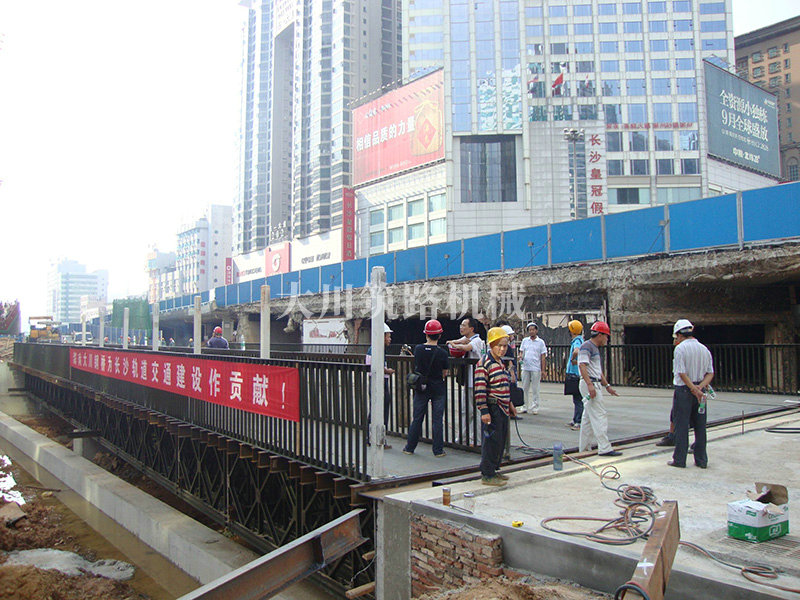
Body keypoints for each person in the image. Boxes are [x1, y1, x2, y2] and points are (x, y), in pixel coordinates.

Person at [668, 319, 714, 469]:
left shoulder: (680, 349)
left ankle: (679, 460)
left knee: (681, 426)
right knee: (700, 426)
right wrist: (700, 387)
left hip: (684, 391)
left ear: (679, 335)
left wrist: (693, 389)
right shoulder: (704, 349)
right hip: (700, 391)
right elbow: (710, 373)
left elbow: (681, 373)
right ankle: (701, 460)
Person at [475, 327, 517, 486]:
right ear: (491, 345)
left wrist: (510, 404)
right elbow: (480, 389)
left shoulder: (500, 363)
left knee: (500, 440)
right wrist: (484, 410)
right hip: (493, 407)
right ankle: (487, 473)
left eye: (505, 346)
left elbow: (504, 386)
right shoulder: (484, 363)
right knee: (491, 440)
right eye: (499, 345)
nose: (502, 349)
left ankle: (494, 469)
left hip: (502, 406)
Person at [403, 320, 450, 457]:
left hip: (421, 386)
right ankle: (438, 450)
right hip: (438, 387)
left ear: (426, 334)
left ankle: (409, 447)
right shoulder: (442, 353)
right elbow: (445, 372)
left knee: (417, 418)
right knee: (437, 419)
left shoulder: (418, 349)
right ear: (439, 335)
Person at [577, 321, 621, 457]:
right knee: (599, 415)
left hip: (593, 382)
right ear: (600, 335)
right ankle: (605, 448)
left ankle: (584, 448)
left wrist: (607, 386)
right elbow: (582, 365)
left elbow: (597, 371)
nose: (607, 339)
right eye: (606, 336)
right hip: (590, 383)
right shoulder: (587, 346)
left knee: (588, 418)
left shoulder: (594, 348)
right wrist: (590, 385)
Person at [447, 317, 485, 445]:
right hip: (469, 381)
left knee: (476, 411)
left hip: (476, 381)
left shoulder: (477, 341)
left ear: (471, 328)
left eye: (464, 325)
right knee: (466, 411)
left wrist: (455, 344)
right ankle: (464, 437)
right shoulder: (467, 339)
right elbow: (454, 342)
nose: (461, 327)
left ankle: (477, 439)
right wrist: (455, 342)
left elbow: (467, 347)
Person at [366, 323, 395, 449]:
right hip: (379, 382)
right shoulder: (376, 349)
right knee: (381, 411)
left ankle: (370, 437)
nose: (389, 339)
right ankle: (378, 438)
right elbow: (376, 366)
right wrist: (388, 371)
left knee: (375, 410)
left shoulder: (374, 348)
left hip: (376, 381)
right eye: (388, 336)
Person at [518, 322, 547, 415]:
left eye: (533, 330)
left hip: (536, 368)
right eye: (530, 330)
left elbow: (543, 356)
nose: (531, 331)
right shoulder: (525, 341)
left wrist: (543, 370)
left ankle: (535, 407)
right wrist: (520, 357)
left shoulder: (540, 342)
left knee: (535, 388)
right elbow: (521, 352)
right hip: (525, 367)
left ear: (536, 330)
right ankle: (524, 406)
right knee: (524, 387)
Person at [565, 320, 584, 430]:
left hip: (575, 374)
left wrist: (573, 359)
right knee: (576, 398)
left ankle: (579, 421)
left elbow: (576, 351)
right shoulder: (580, 340)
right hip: (575, 373)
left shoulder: (577, 341)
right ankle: (575, 419)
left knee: (578, 399)